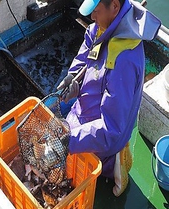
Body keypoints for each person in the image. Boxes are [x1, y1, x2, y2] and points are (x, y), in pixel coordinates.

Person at [57, 0, 161, 196]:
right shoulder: (102, 26)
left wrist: (69, 139)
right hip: (83, 114)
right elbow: (88, 45)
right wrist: (74, 76)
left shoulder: (124, 60)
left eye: (95, 11)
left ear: (114, 6)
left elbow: (110, 129)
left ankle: (115, 165)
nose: (92, 18)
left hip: (102, 139)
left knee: (88, 174)